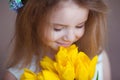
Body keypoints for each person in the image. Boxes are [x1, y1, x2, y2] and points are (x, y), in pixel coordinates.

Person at [3, 0, 111, 80]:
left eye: (79, 26)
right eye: (58, 28)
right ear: (33, 19)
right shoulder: (16, 76)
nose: (70, 37)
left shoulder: (98, 59)